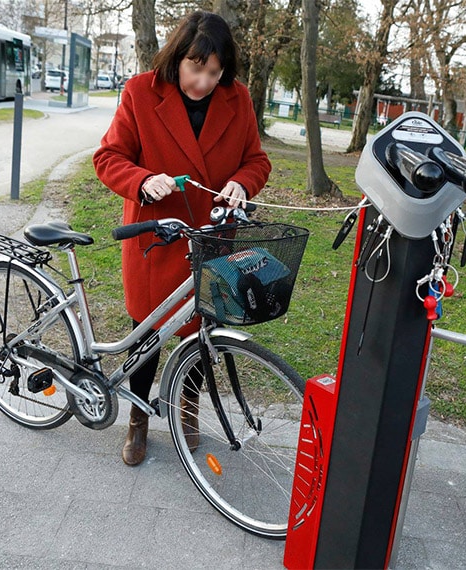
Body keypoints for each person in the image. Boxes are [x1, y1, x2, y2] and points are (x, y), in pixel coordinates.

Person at [93, 11, 272, 466]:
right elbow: (109, 156)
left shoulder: (238, 98)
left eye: (214, 72)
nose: (203, 82)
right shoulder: (140, 91)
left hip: (210, 237)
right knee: (147, 334)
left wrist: (242, 184)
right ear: (179, 57)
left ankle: (186, 408)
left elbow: (257, 161)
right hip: (156, 239)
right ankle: (137, 421)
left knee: (201, 334)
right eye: (196, 68)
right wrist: (140, 180)